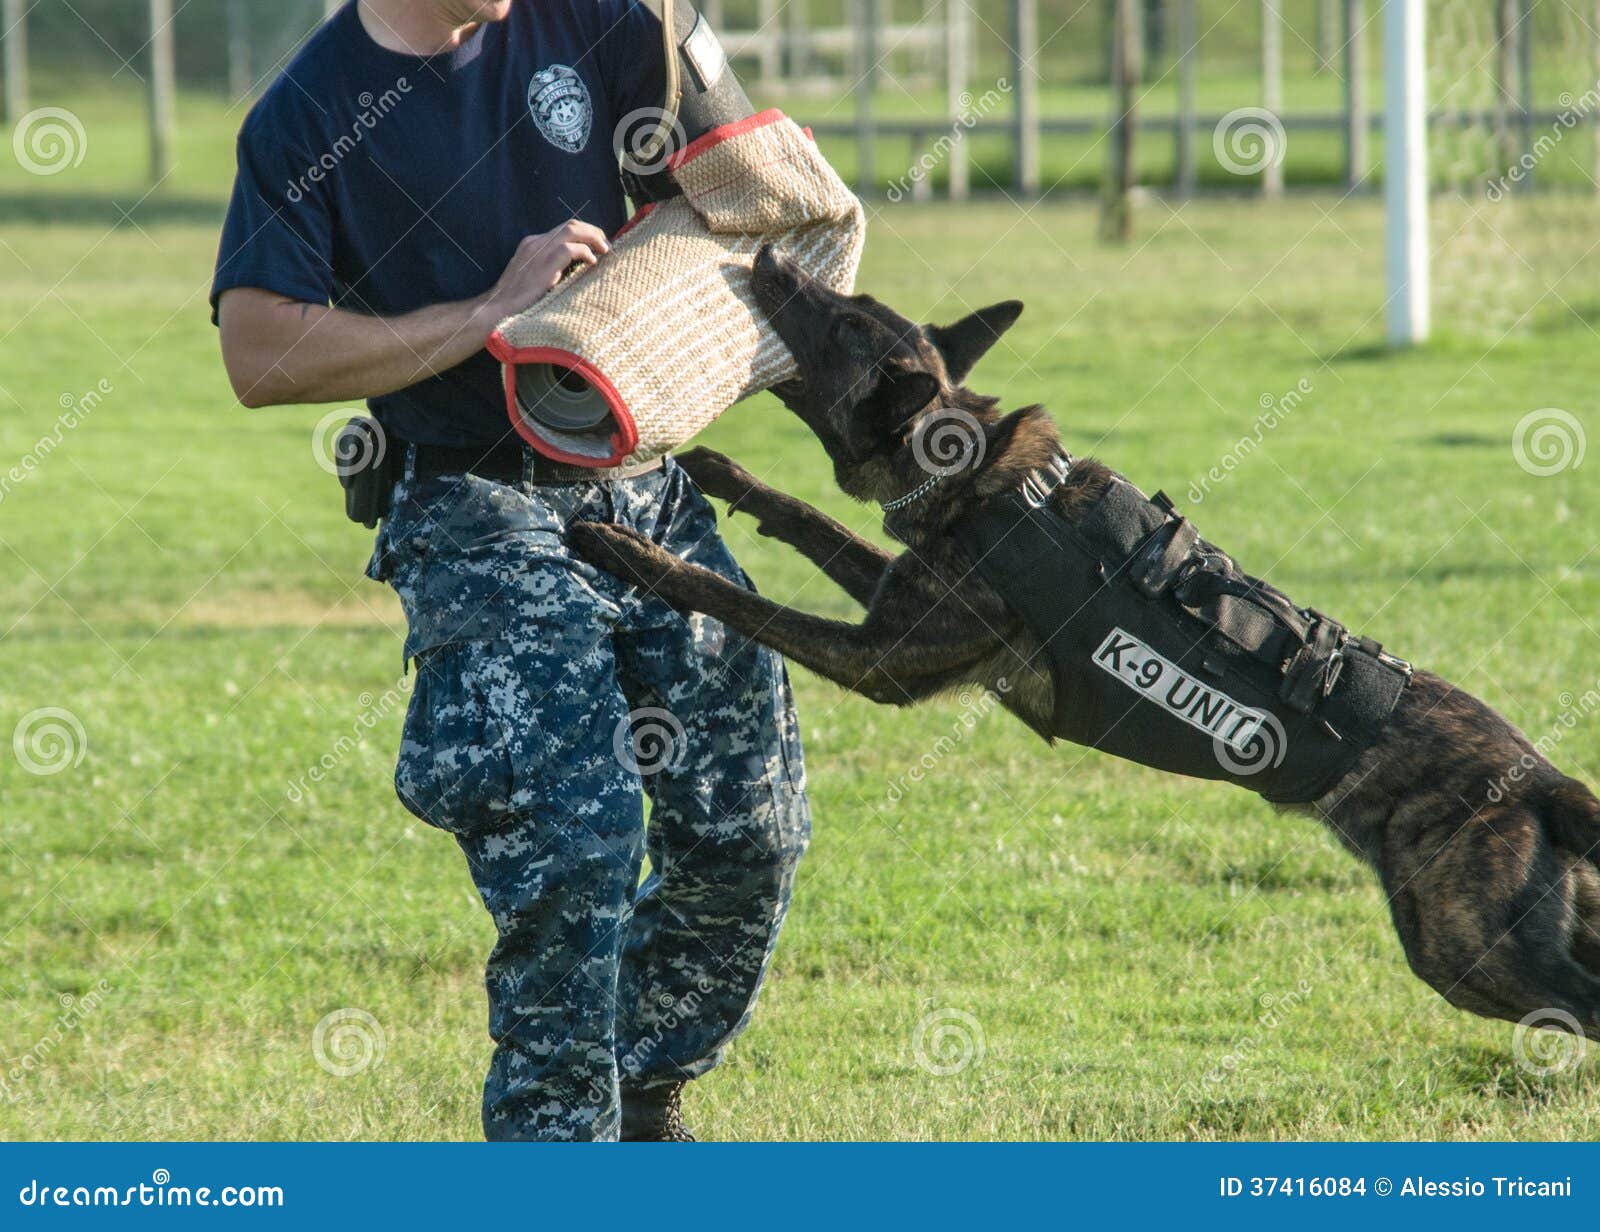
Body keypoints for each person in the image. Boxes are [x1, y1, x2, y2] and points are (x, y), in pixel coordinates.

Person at [211, 0, 809, 1142]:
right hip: (470, 498)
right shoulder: (308, 112)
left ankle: (640, 1080)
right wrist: (487, 312)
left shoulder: (595, 21)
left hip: (640, 471)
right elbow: (258, 349)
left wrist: (684, 36)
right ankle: (552, 1144)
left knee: (752, 825)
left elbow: (753, 182)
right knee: (574, 849)